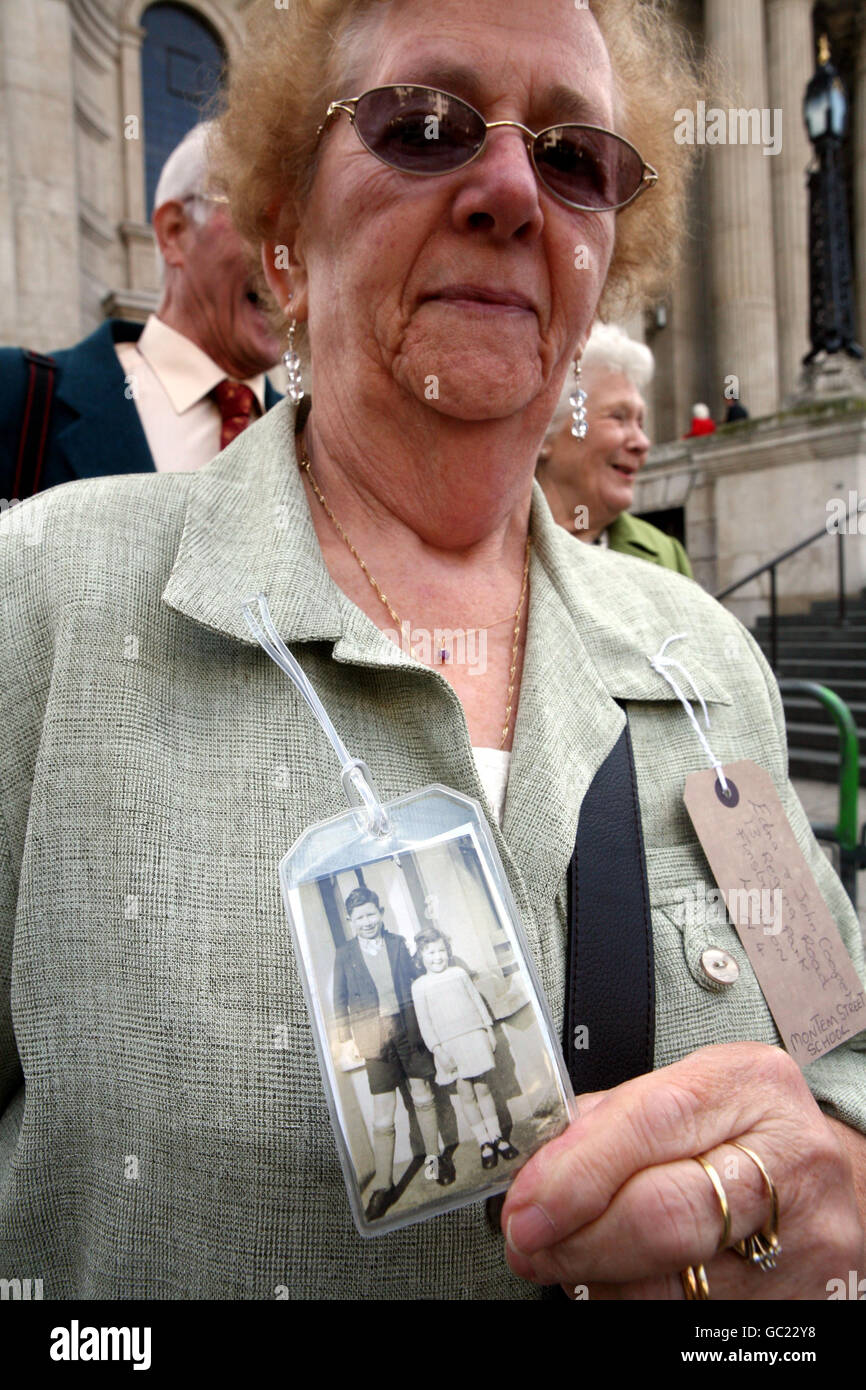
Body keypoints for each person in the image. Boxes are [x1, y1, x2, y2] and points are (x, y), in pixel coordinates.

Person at [1, 0, 864, 1302]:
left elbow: (840, 1059)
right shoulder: (44, 604)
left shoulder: (700, 661)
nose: (511, 188)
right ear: (282, 238)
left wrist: (831, 1183)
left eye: (577, 160)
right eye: (424, 126)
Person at [0, 122, 283, 500]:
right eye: (260, 215)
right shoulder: (19, 396)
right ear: (174, 232)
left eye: (302, 228)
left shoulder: (317, 446)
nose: (287, 255)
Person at [332, 888, 454, 1217]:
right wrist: (346, 1037)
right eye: (360, 917)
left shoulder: (399, 944)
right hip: (373, 1037)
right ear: (350, 920)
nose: (367, 921)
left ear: (381, 912)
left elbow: (419, 981)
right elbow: (339, 999)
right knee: (383, 1113)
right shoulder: (344, 955)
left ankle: (434, 1158)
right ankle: (383, 1185)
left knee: (423, 1095)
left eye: (372, 914)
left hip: (408, 1030)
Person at [536, 322, 693, 575]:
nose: (642, 443)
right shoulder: (491, 548)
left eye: (641, 423)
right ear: (542, 431)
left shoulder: (665, 555)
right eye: (618, 417)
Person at [411, 926, 519, 1172]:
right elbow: (424, 1021)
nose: (437, 957)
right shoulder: (420, 986)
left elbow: (476, 1001)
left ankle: (497, 1137)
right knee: (467, 1095)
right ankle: (484, 1143)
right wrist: (438, 1050)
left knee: (484, 1091)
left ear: (447, 951)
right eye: (430, 952)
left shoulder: (458, 973)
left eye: (441, 951)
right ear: (420, 956)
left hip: (474, 1038)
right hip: (450, 1047)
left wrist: (488, 1030)